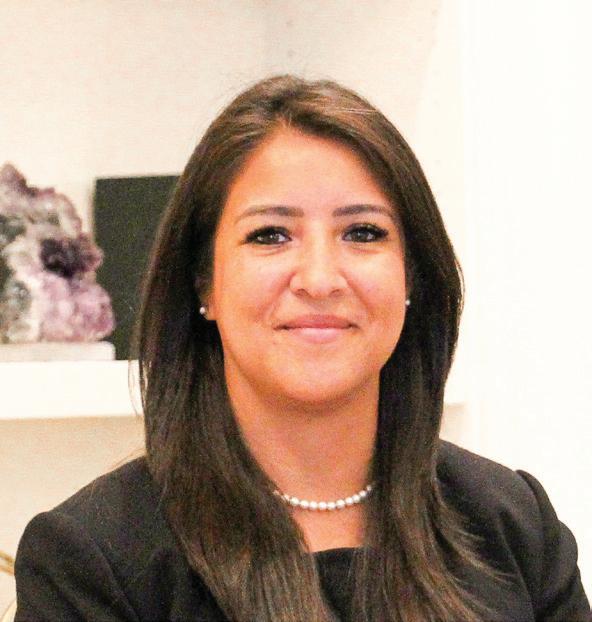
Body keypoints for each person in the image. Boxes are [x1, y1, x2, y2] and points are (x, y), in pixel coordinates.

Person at [14, 75, 590, 622]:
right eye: (270, 235)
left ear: (411, 275)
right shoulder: (92, 560)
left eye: (363, 233)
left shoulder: (512, 524)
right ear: (203, 282)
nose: (320, 279)